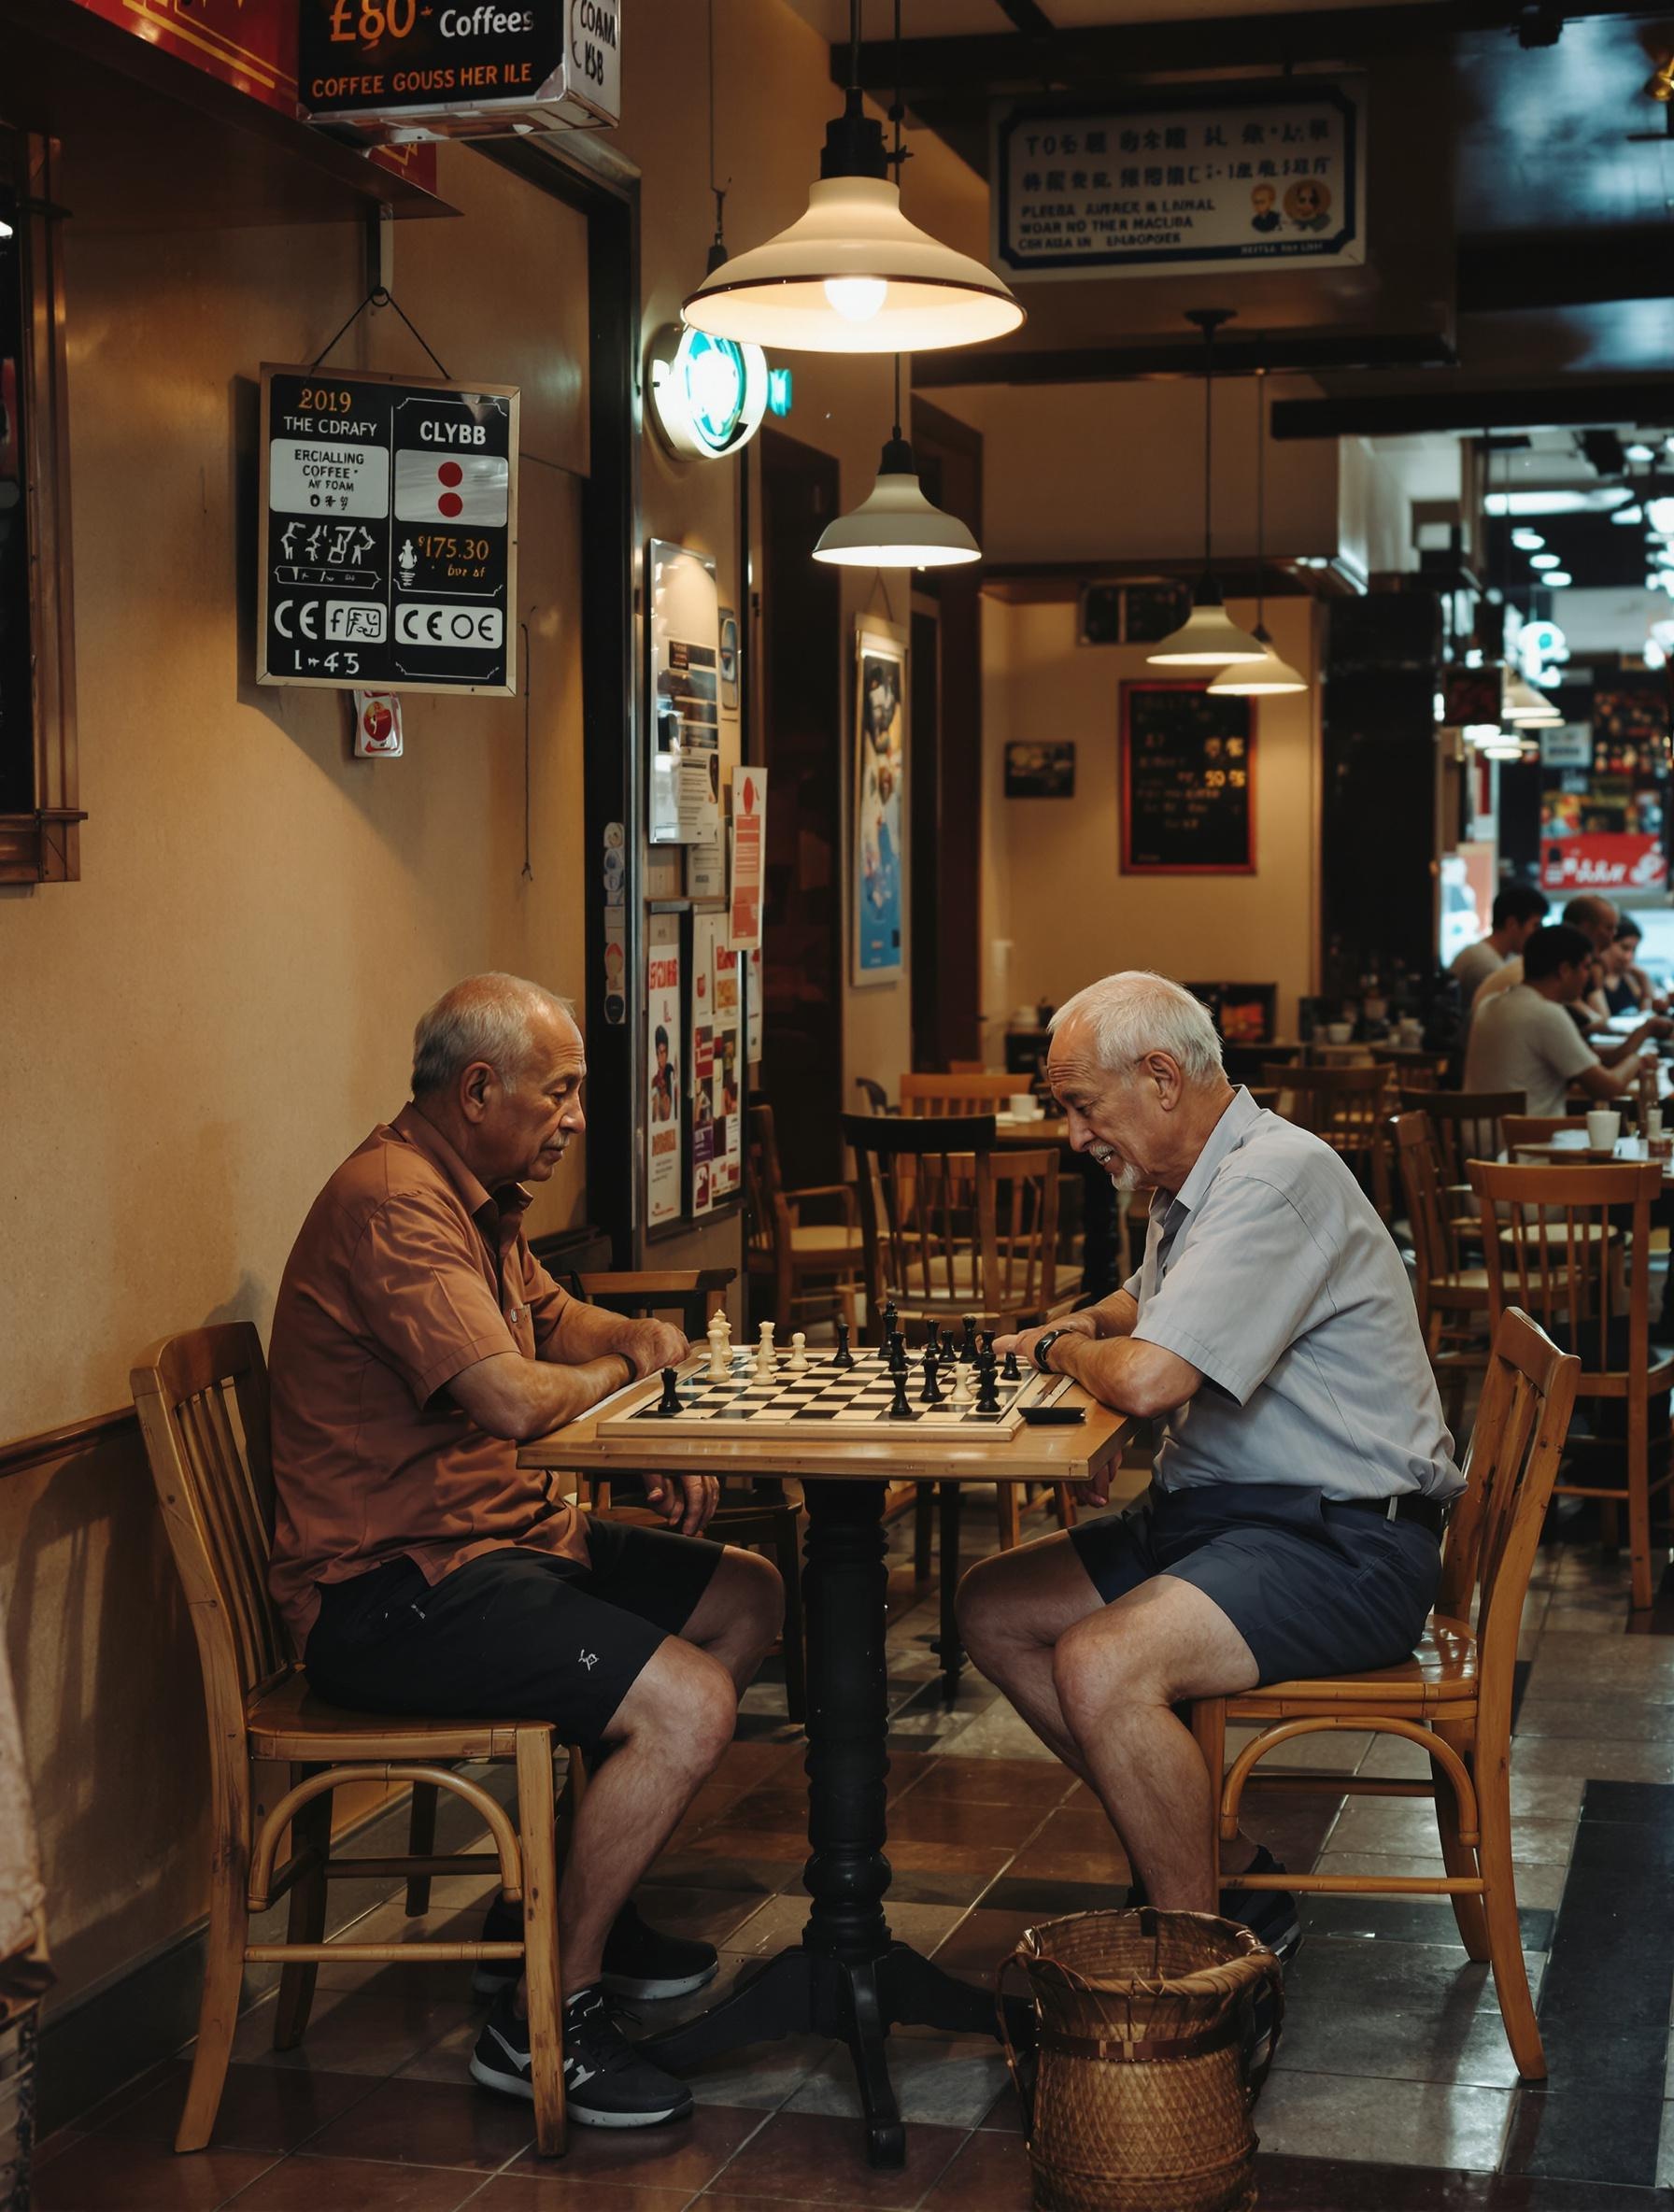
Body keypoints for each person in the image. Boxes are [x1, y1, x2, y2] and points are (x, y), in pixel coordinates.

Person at [267, 973, 784, 2128]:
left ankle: (558, 1912)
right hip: (391, 1590)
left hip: (496, 1544)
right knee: (688, 1703)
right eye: (559, 1094)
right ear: (479, 1088)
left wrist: (641, 1336)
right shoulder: (395, 1204)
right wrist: (624, 1378)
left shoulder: (475, 1191)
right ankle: (547, 2013)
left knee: (742, 1596)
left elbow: (554, 1321)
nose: (577, 1120)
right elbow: (510, 1397)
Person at [958, 972, 1462, 1987]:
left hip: (1342, 1541)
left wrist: (1062, 1352)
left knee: (1104, 1663)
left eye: (1080, 1106)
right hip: (1229, 1515)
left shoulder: (1275, 1180)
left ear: (1159, 1076)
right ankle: (1222, 1873)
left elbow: (1147, 1379)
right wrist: (1081, 1324)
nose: (1072, 1135)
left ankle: (1194, 1978)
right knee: (995, 1607)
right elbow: (1142, 1308)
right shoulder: (1196, 1174)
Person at [1463, 923, 1659, 1113]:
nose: (1588, 976)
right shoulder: (1545, 1014)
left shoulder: (1490, 1003)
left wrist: (1644, 1032)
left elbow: (1591, 1058)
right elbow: (1606, 1088)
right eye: (1585, 967)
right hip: (1525, 1141)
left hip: (1479, 1138)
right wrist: (1639, 1060)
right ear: (1565, 970)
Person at [1450, 883, 1549, 1012]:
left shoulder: (1494, 956)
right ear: (1512, 924)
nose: (1539, 933)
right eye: (1536, 926)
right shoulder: (1485, 964)